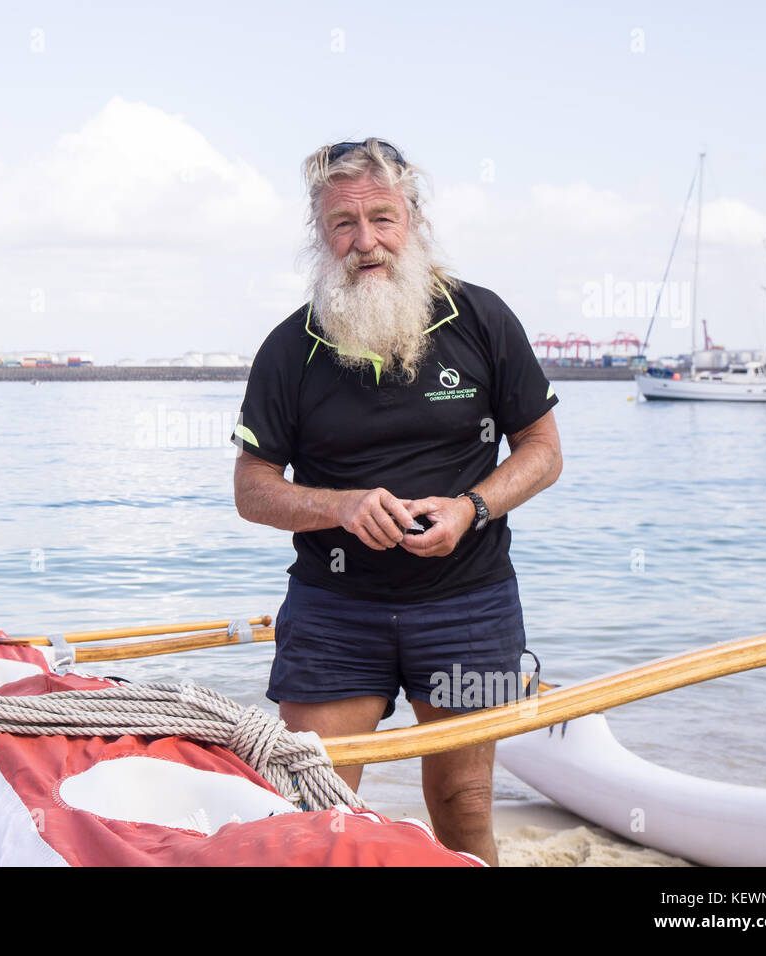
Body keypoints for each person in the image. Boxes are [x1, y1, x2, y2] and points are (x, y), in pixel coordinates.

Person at [231, 138, 562, 866]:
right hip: (333, 609)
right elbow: (252, 490)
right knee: (316, 812)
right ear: (321, 236)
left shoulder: (481, 318)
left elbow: (543, 451)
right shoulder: (290, 348)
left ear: (413, 218)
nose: (366, 241)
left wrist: (470, 507)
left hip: (469, 603)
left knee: (465, 804)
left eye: (382, 218)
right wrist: (340, 507)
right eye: (343, 225)